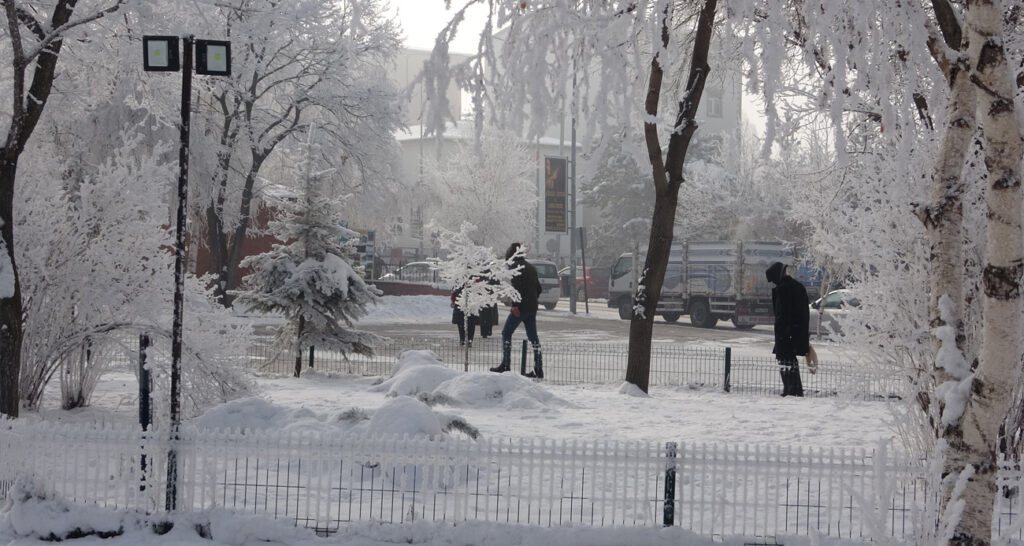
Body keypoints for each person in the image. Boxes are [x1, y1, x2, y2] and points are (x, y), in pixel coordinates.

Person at [490, 242, 544, 378]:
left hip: (520, 307)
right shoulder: (531, 268)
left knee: (506, 333)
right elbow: (539, 289)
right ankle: (538, 368)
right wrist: (532, 300)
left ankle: (506, 364)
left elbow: (517, 289)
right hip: (532, 307)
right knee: (533, 338)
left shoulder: (516, 267)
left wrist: (515, 305)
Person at [766, 261, 810, 397]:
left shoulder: (783, 290)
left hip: (786, 334)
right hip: (797, 332)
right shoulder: (797, 286)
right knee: (791, 361)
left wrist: (783, 332)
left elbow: (782, 314)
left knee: (785, 361)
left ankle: (791, 390)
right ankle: (794, 390)